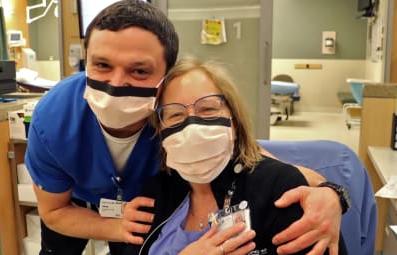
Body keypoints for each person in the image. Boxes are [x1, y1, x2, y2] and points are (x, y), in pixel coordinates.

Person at [25, 1, 346, 254]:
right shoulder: (53, 119)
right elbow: (54, 211)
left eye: (139, 70)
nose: (116, 84)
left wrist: (330, 195)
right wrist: (114, 227)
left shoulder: (174, 117)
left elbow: (262, 161)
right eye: (102, 65)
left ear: (166, 77)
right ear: (86, 59)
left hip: (140, 212)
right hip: (77, 206)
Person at [121, 56, 348, 255]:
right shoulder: (153, 194)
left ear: (235, 122)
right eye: (176, 115)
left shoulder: (278, 189)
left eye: (208, 110)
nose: (192, 126)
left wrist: (333, 192)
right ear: (160, 132)